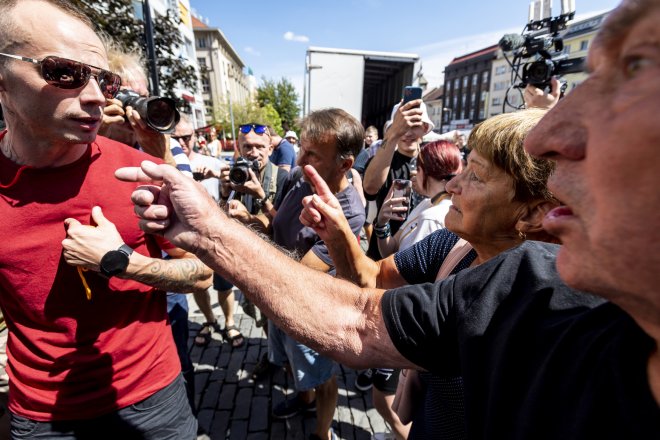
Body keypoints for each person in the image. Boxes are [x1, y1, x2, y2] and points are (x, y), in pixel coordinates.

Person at [120, 0, 660, 437]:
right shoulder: (501, 274)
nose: (453, 186)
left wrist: (213, 232)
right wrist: (312, 234)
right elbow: (365, 301)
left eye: (637, 68)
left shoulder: (570, 305)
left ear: (535, 211)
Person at [0, 0, 212, 438]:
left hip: (153, 400)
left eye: (105, 81)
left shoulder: (140, 170)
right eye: (64, 72)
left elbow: (202, 274)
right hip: (42, 417)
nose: (96, 96)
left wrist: (121, 261)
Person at [172, 117, 246, 349]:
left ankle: (230, 322)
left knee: (224, 284)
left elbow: (229, 200)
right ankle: (208, 321)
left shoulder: (211, 162)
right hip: (186, 238)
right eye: (176, 138)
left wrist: (217, 179)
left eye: (187, 137)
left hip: (215, 236)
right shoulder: (167, 162)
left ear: (194, 136)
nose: (182, 142)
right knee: (198, 284)